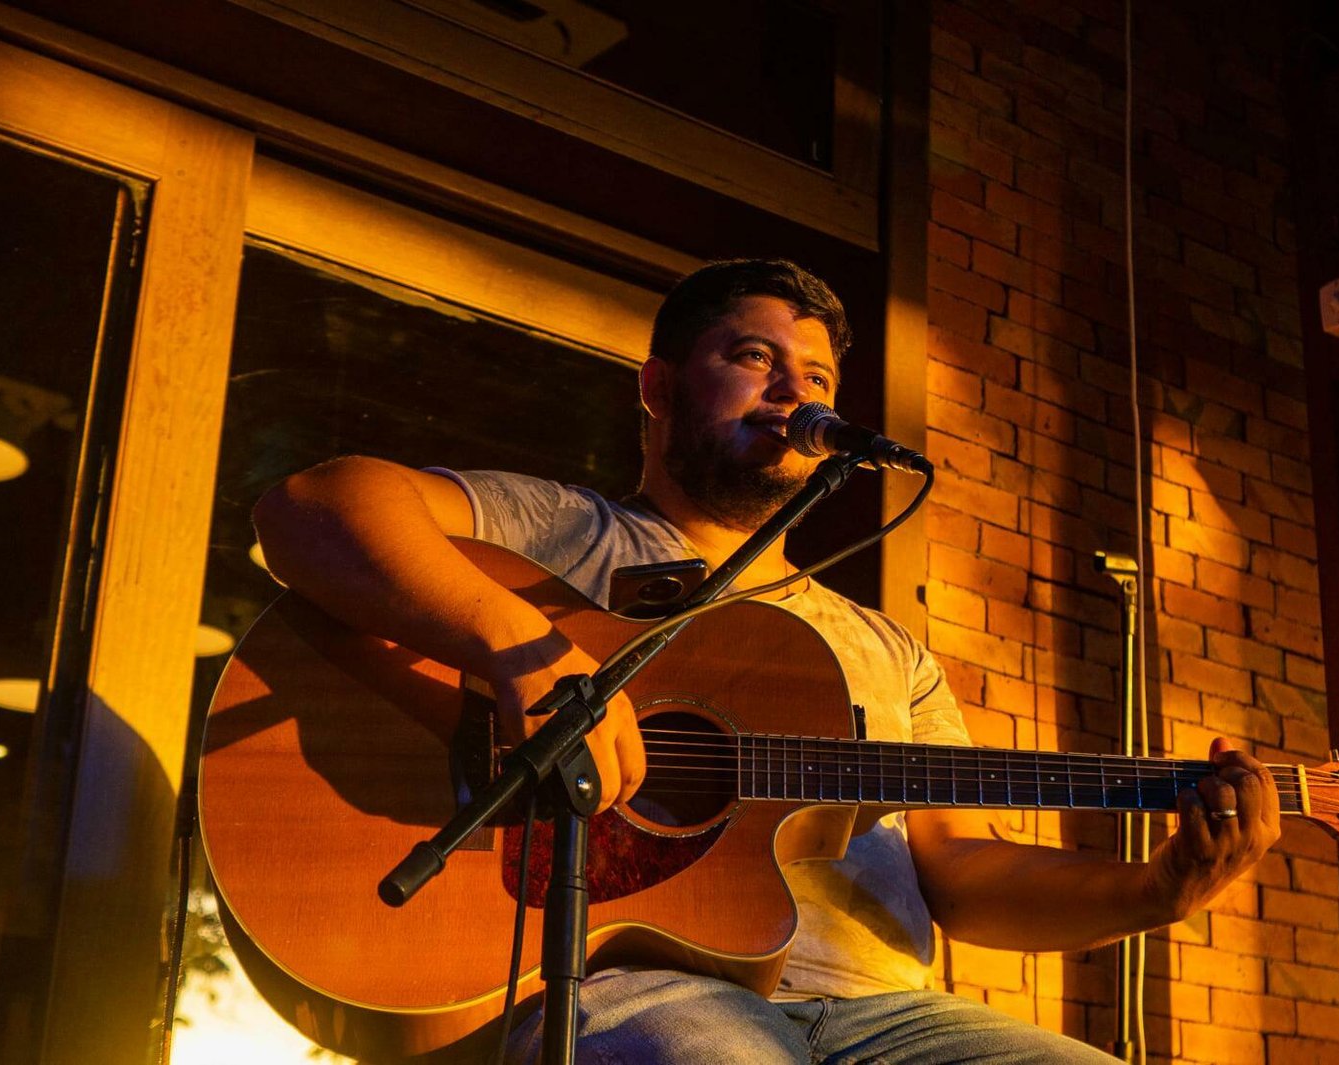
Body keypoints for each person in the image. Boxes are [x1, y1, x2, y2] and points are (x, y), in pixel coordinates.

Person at [253, 259, 1281, 1063]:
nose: (794, 390)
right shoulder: (562, 536)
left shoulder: (887, 648)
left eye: (819, 378)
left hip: (887, 1016)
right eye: (752, 357)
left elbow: (965, 871)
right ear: (657, 386)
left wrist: (1160, 892)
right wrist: (520, 643)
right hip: (624, 983)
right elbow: (314, 507)